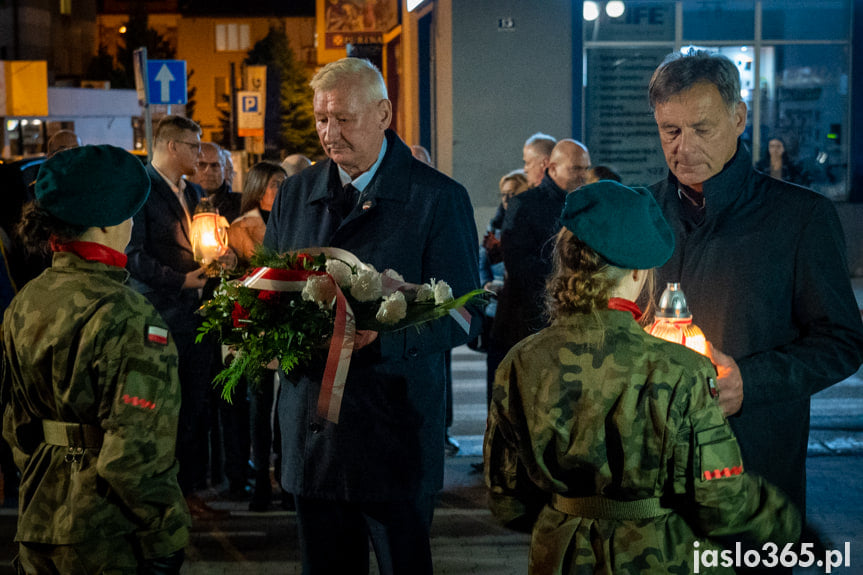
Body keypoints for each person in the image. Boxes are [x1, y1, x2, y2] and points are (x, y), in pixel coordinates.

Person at [484, 180, 801, 574]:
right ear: (637, 272)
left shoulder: (520, 362)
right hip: (661, 555)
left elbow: (506, 497)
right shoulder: (681, 369)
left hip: (561, 553)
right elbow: (720, 500)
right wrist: (788, 527)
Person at [263, 57, 481, 574]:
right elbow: (266, 286)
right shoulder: (296, 193)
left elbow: (463, 315)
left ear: (384, 113)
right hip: (313, 433)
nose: (329, 133)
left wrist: (381, 340)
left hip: (392, 436)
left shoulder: (438, 199)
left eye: (343, 118)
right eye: (321, 119)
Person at [647, 50, 863, 530]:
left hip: (752, 481)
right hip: (650, 488)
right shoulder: (643, 215)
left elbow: (843, 342)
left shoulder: (799, 218)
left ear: (739, 117)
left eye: (702, 129)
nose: (684, 147)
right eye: (671, 131)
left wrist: (750, 382)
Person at [2, 145, 190, 573]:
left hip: (38, 521)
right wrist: (165, 534)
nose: (130, 224)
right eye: (127, 215)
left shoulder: (27, 300)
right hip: (107, 535)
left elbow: (16, 428)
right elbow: (135, 453)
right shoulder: (127, 313)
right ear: (108, 223)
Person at [125, 115, 227, 521]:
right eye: (193, 145)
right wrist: (180, 281)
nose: (200, 155)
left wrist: (220, 255)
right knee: (167, 410)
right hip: (162, 316)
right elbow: (134, 257)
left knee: (197, 407)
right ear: (170, 146)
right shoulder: (143, 191)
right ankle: (167, 497)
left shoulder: (195, 192)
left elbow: (203, 241)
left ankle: (191, 491)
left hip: (196, 317)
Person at [487, 139, 591, 392]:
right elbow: (520, 263)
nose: (583, 176)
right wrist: (568, 279)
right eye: (575, 169)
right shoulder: (525, 205)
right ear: (552, 169)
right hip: (527, 323)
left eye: (585, 168)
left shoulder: (584, 205)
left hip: (569, 322)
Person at [191, 142, 242, 223]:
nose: (209, 172)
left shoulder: (242, 205)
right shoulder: (179, 203)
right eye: (201, 164)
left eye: (215, 165)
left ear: (224, 170)